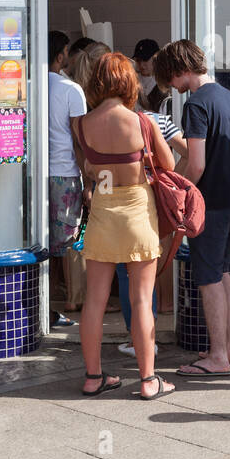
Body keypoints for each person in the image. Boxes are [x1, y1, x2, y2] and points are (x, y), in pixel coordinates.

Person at [71, 52, 176, 400]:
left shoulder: (83, 123)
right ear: (128, 81)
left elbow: (88, 167)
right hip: (137, 215)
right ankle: (148, 381)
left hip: (102, 214)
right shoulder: (141, 121)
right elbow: (169, 162)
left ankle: (92, 376)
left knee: (95, 301)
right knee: (142, 300)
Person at [155, 39, 230, 377]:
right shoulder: (226, 96)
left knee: (208, 277)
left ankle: (216, 357)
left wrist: (176, 191)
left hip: (211, 201)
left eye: (171, 79)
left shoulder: (196, 105)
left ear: (180, 70)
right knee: (223, 272)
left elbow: (195, 163)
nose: (172, 87)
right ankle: (228, 348)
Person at [113, 88, 189, 355]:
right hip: (156, 200)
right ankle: (149, 336)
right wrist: (168, 182)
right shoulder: (159, 120)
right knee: (152, 266)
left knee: (127, 271)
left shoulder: (105, 122)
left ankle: (137, 339)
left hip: (124, 199)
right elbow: (187, 153)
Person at [46, 31, 86, 325]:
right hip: (66, 172)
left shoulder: (27, 85)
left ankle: (47, 297)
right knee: (70, 238)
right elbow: (79, 138)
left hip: (36, 174)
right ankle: (74, 298)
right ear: (61, 55)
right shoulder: (71, 89)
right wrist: (89, 179)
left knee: (42, 239)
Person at [132, 38, 170, 114]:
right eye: (138, 60)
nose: (142, 64)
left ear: (155, 58)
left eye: (145, 60)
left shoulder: (165, 81)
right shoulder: (132, 80)